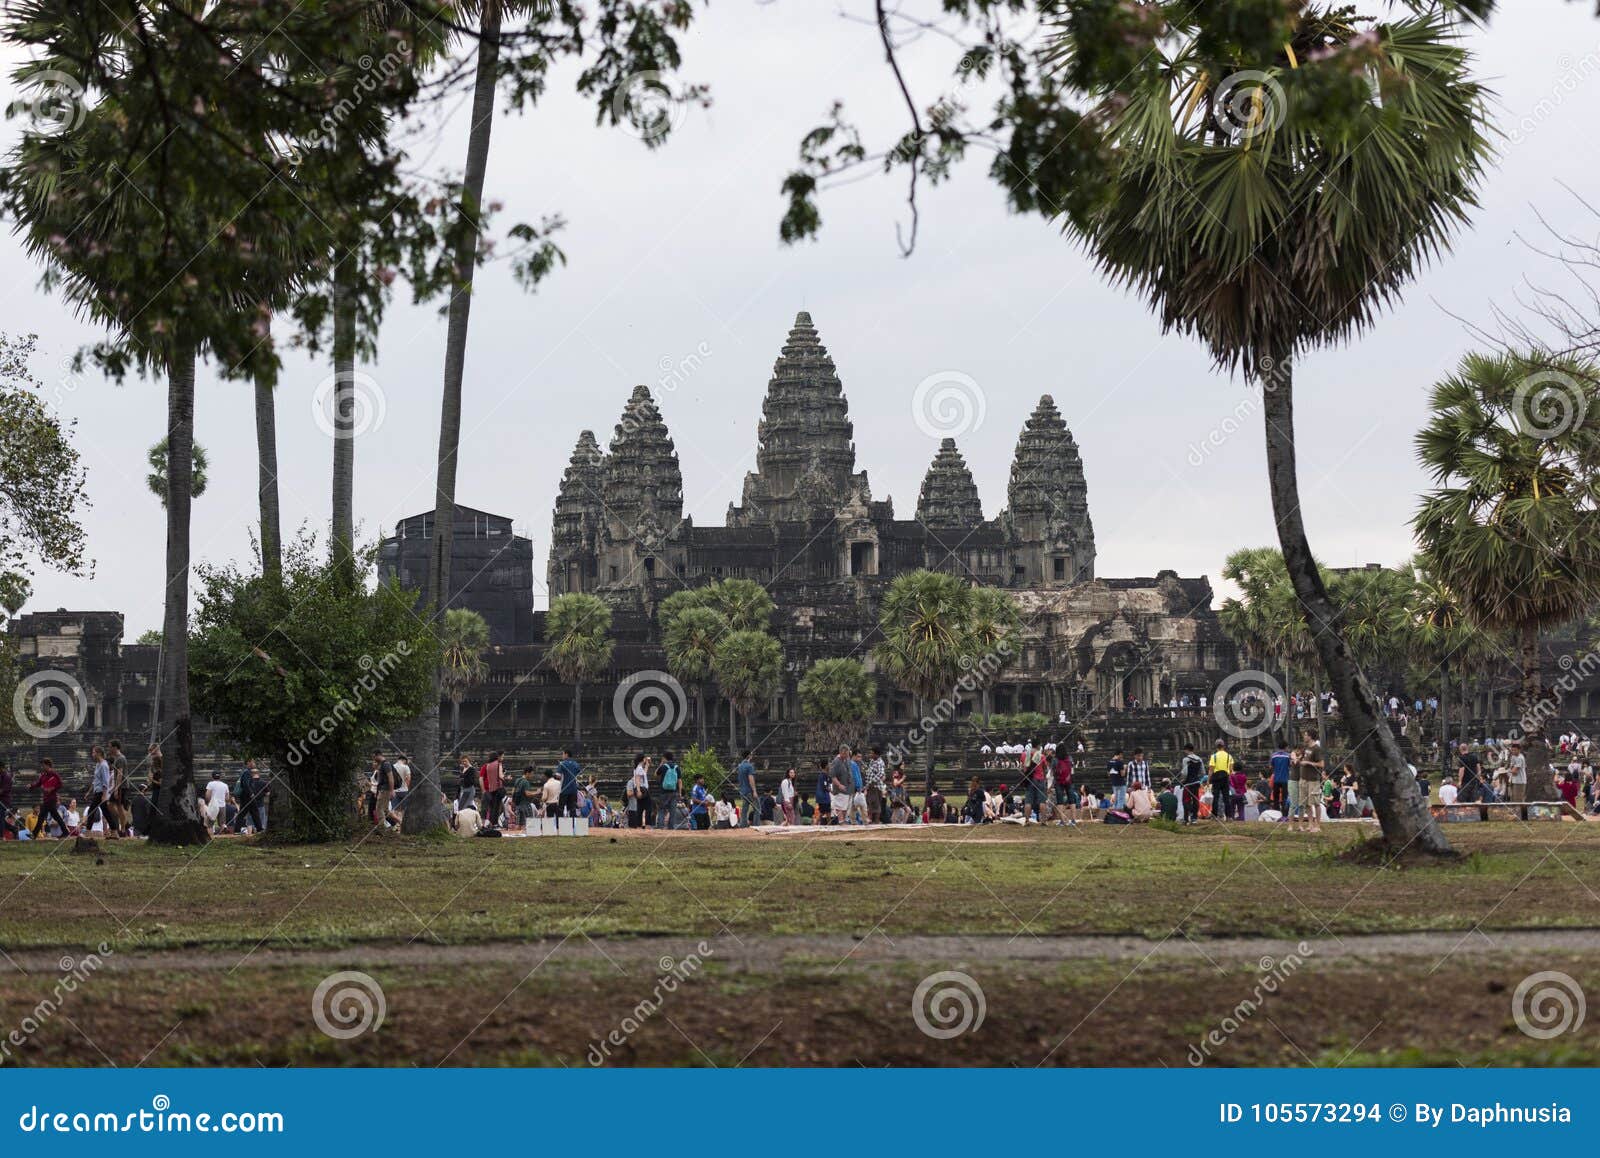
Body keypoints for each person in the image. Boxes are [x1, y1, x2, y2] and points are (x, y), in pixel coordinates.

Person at [29, 759, 68, 840]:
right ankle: (65, 832)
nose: (42, 767)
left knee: (41, 816)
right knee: (56, 817)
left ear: (48, 765)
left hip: (51, 799)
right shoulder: (43, 775)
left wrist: (52, 789)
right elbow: (38, 783)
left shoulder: (54, 774)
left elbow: (60, 784)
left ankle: (34, 834)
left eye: (43, 765)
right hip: (46, 799)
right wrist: (31, 786)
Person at [1295, 732, 1324, 832]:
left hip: (1313, 780)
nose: (1304, 736)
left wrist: (1308, 763)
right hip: (1303, 779)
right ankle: (1310, 824)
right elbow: (1301, 756)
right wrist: (1298, 759)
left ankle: (1318, 826)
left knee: (1316, 803)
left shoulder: (1317, 749)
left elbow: (1321, 764)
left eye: (1306, 735)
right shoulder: (1306, 747)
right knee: (1306, 803)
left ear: (1310, 737)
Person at [235, 760, 266, 835]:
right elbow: (245, 784)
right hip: (247, 796)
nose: (254, 763)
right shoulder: (246, 772)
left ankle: (259, 829)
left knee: (254, 812)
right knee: (245, 813)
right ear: (248, 763)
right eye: (253, 762)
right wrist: (251, 793)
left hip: (246, 796)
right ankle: (237, 830)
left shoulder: (246, 772)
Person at [1179, 743, 1205, 825]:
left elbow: (1184, 773)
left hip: (1188, 784)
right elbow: (1203, 772)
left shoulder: (1186, 759)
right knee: (1195, 800)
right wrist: (1197, 778)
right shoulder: (1199, 759)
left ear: (1186, 750)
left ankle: (1186, 819)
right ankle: (1194, 818)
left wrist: (1182, 780)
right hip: (1196, 782)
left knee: (1186, 801)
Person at [480, 751, 505, 827]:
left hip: (489, 790)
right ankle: (490, 824)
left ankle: (485, 824)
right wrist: (483, 790)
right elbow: (481, 778)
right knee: (492, 807)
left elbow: (481, 778)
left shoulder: (487, 766)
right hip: (492, 790)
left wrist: (483, 790)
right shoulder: (496, 765)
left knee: (488, 807)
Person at [658, 752, 682, 829]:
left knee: (662, 809)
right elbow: (680, 781)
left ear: (665, 758)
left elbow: (656, 774)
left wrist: (661, 763)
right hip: (674, 791)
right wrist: (680, 792)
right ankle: (671, 827)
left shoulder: (664, 767)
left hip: (664, 791)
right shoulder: (676, 767)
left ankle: (661, 826)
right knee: (672, 811)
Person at [556, 748, 582, 818]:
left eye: (563, 754)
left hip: (564, 789)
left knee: (560, 808)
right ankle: (573, 825)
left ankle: (560, 826)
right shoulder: (576, 764)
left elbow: (558, 776)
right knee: (572, 809)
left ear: (566, 754)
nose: (562, 756)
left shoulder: (562, 764)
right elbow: (580, 776)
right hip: (573, 790)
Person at [864, 747, 887, 823]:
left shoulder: (879, 762)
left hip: (875, 786)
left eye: (872, 753)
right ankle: (871, 820)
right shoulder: (872, 761)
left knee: (875, 803)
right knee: (870, 802)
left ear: (876, 754)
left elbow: (881, 773)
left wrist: (872, 781)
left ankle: (876, 820)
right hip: (870, 786)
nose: (870, 754)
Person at [736, 750, 759, 827]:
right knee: (757, 808)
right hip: (749, 791)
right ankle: (756, 826)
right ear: (749, 756)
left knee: (745, 809)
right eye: (751, 754)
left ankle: (743, 825)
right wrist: (754, 791)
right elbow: (751, 779)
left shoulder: (740, 766)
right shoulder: (749, 766)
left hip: (742, 790)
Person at [632, 754, 654, 828]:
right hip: (642, 789)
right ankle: (648, 824)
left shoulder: (639, 768)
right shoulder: (639, 768)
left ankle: (638, 825)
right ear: (643, 759)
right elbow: (637, 779)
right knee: (649, 807)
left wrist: (647, 765)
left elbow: (644, 774)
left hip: (641, 788)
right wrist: (638, 790)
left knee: (640, 807)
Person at [1268, 744, 1291, 815]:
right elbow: (1290, 765)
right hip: (1285, 779)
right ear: (1285, 747)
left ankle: (1276, 813)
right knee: (1284, 798)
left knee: (1276, 798)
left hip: (1276, 779)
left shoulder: (1273, 755)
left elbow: (1270, 766)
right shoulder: (1288, 756)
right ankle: (1284, 815)